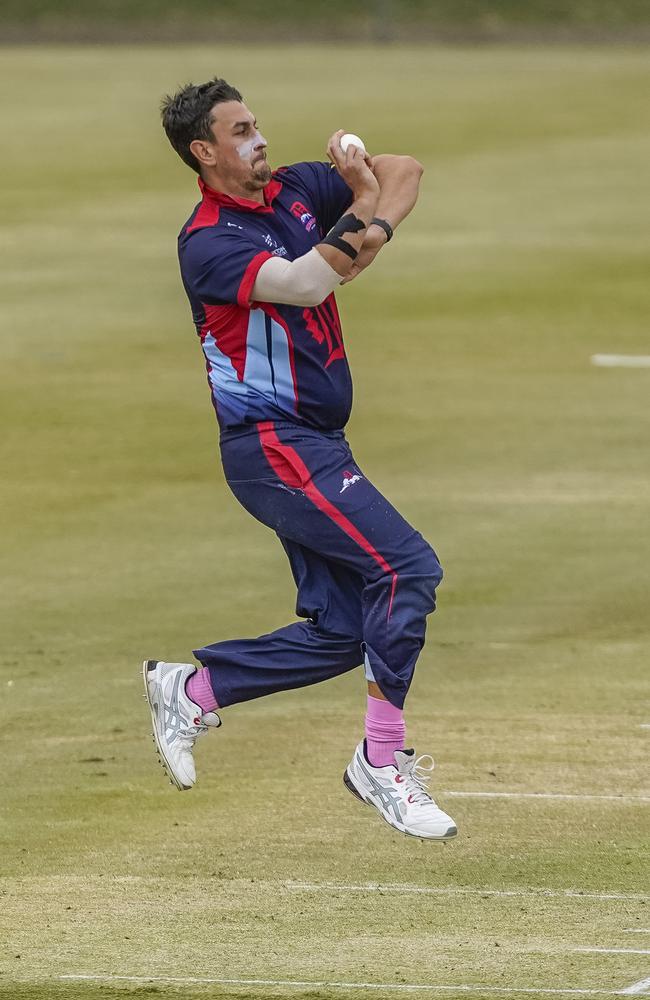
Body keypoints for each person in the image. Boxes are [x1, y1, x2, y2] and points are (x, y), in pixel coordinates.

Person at [144, 76, 457, 841]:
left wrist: (365, 209)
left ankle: (195, 692)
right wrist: (363, 212)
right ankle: (381, 762)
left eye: (257, 123)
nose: (259, 138)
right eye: (241, 129)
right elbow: (308, 282)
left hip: (316, 443)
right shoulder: (209, 241)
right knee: (406, 569)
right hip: (272, 446)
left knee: (350, 629)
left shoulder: (292, 192)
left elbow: (406, 169)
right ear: (204, 151)